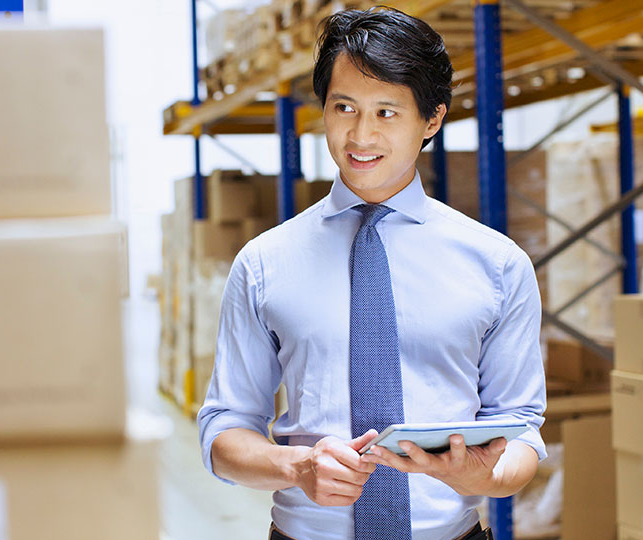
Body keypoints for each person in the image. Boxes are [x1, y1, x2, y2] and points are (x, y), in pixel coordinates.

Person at [197, 7, 546, 540]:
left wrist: (487, 474)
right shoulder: (265, 263)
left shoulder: (497, 265)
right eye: (344, 108)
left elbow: (521, 428)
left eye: (387, 112)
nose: (360, 136)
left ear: (431, 120)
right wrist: (295, 467)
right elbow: (224, 429)